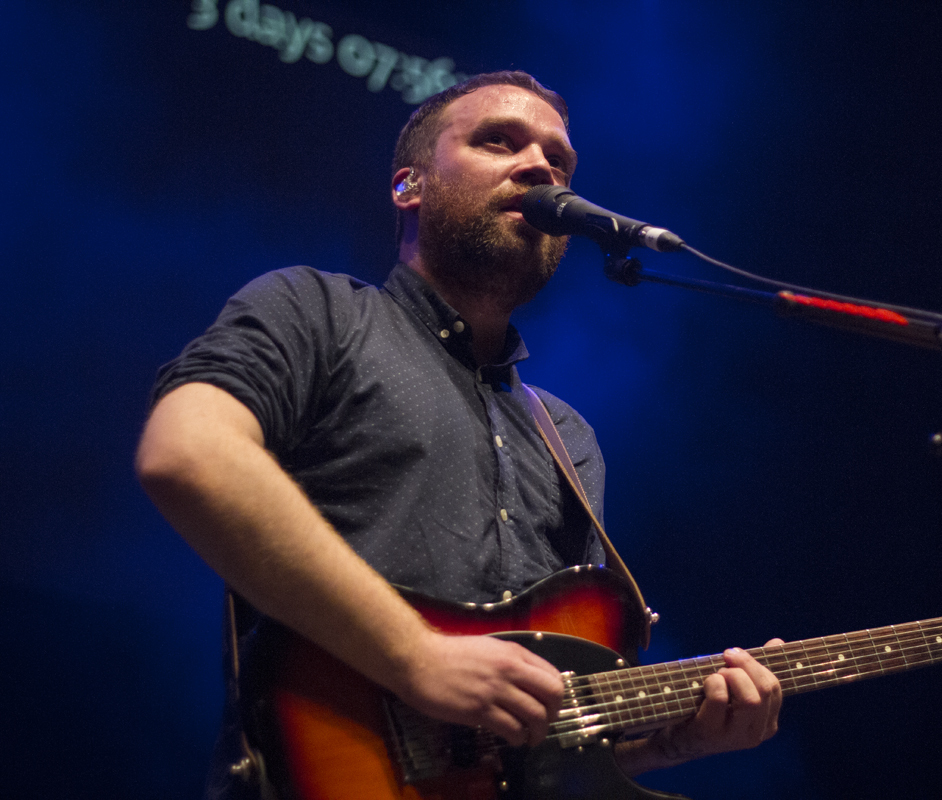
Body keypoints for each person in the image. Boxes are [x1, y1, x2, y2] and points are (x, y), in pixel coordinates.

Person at [136, 70, 782, 797]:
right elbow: (187, 452)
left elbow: (531, 749)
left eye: (557, 161)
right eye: (498, 142)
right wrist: (415, 654)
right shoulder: (313, 311)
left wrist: (669, 745)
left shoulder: (568, 437)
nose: (539, 165)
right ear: (408, 186)